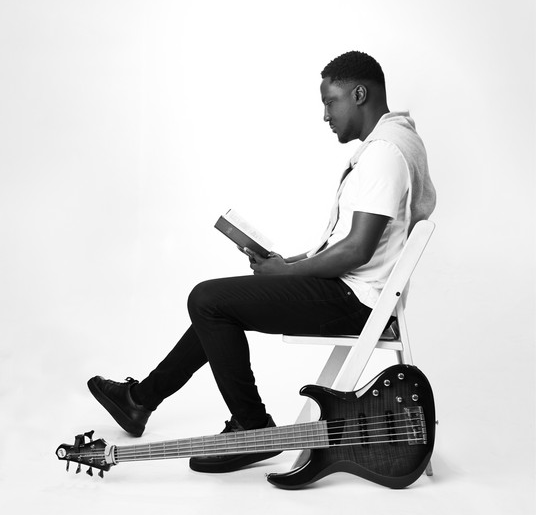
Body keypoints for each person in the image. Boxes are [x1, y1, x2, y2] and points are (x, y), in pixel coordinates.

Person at [88, 50, 436, 473]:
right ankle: (139, 400)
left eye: (331, 101)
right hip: (357, 293)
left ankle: (250, 427)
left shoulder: (384, 153)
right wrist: (285, 263)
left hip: (355, 302)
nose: (325, 115)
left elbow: (357, 250)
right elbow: (351, 244)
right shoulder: (396, 141)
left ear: (359, 94)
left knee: (208, 300)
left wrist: (286, 273)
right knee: (218, 304)